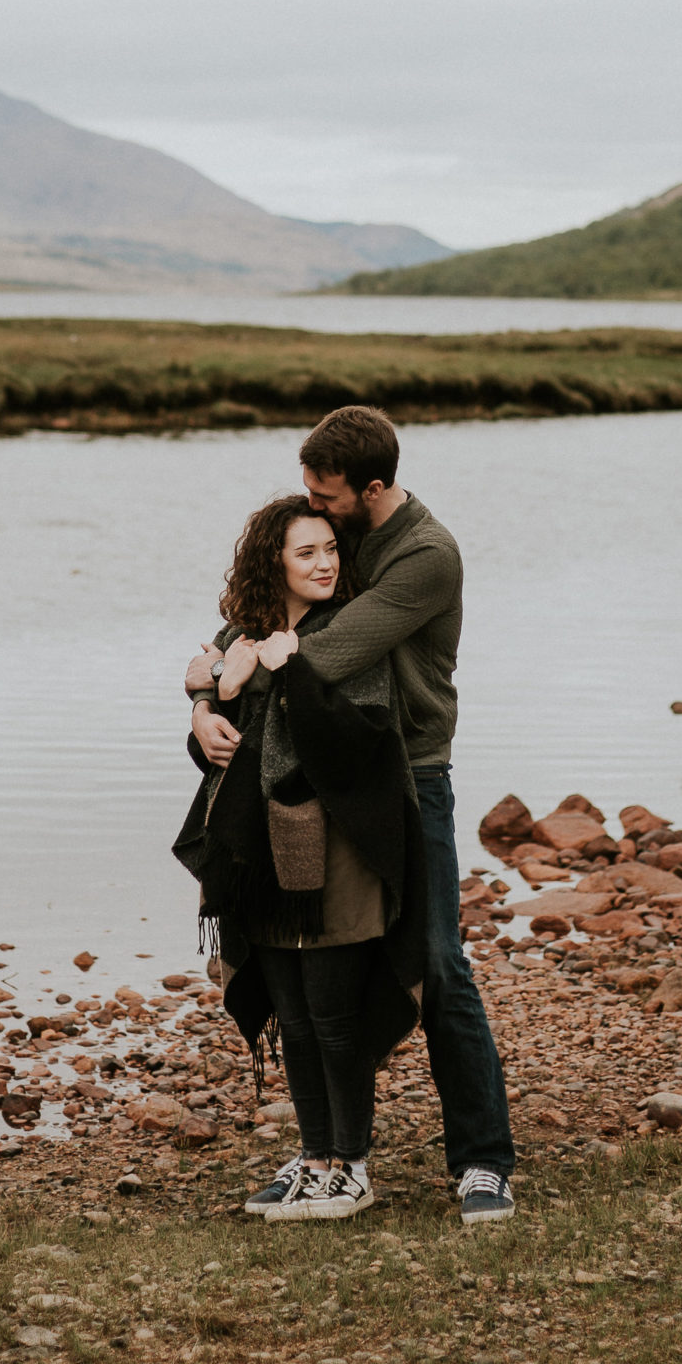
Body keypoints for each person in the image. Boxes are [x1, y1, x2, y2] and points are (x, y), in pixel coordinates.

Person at [186, 406, 516, 1225]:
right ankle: (332, 1153)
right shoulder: (339, 536)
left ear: (369, 491)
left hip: (408, 777)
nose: (316, 512)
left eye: (325, 499)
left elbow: (316, 654)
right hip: (328, 783)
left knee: (435, 965)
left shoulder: (424, 555)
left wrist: (222, 670)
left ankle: (481, 1162)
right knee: (308, 970)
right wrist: (200, 695)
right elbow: (254, 619)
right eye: (308, 499)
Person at [174, 494, 426, 1220]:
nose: (323, 563)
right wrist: (203, 722)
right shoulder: (240, 631)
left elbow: (359, 743)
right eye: (305, 552)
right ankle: (314, 1158)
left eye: (329, 549)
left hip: (339, 844)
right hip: (260, 850)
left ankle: (351, 1165)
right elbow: (219, 741)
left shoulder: (347, 632)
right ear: (272, 563)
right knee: (291, 1010)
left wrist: (292, 673)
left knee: (334, 1014)